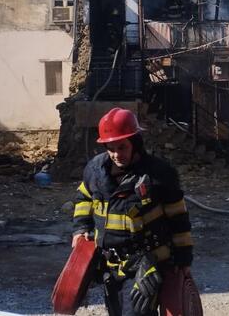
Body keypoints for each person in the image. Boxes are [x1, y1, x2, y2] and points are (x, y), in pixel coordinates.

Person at [72, 108, 193, 316]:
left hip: (147, 263)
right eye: (111, 148)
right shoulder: (95, 171)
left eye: (122, 147)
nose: (116, 154)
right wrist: (81, 228)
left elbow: (178, 218)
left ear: (135, 143)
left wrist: (183, 260)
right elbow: (84, 197)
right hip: (110, 264)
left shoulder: (159, 174)